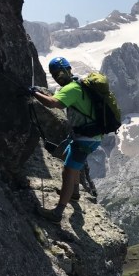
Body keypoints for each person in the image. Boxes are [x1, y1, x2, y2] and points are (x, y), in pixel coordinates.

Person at [30, 56, 101, 223]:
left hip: (85, 138)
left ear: (68, 70)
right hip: (89, 136)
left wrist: (34, 93)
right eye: (55, 75)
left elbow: (54, 103)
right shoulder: (79, 84)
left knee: (69, 170)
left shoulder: (72, 89)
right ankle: (74, 193)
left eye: (59, 74)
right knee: (70, 163)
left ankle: (57, 213)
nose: (58, 78)